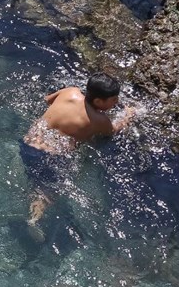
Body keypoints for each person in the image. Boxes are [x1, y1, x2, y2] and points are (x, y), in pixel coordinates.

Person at [21, 73, 137, 228]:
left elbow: (47, 100)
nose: (117, 102)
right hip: (53, 156)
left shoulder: (70, 91)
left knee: (33, 180)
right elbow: (114, 130)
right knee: (45, 193)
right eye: (114, 99)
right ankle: (34, 220)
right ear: (98, 101)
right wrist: (128, 115)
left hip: (28, 144)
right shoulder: (99, 120)